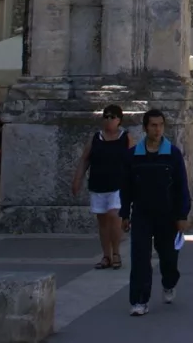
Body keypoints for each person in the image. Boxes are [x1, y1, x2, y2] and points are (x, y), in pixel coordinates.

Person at [120, 110, 191, 316]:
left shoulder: (173, 154)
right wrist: (125, 213)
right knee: (140, 258)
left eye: (160, 125)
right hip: (142, 214)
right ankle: (139, 301)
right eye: (153, 125)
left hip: (167, 215)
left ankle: (169, 283)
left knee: (168, 257)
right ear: (145, 128)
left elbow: (181, 187)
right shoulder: (133, 156)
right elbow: (126, 187)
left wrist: (182, 216)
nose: (157, 129)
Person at [72, 105, 133, 270]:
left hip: (118, 185)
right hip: (98, 184)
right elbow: (85, 159)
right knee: (103, 222)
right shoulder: (96, 138)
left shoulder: (125, 137)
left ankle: (116, 253)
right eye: (105, 116)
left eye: (112, 117)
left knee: (114, 215)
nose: (108, 120)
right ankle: (106, 255)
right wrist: (77, 179)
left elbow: (133, 161)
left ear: (119, 120)